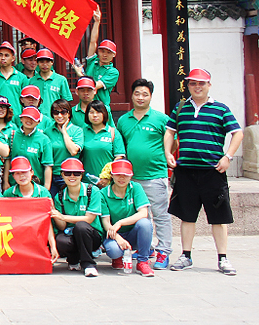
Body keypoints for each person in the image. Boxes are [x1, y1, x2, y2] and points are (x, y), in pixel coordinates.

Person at [165, 68, 242, 275]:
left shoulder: (221, 109)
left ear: (209, 85)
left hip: (212, 171)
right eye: (193, 83)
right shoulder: (181, 108)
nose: (197, 87)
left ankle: (223, 258)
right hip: (186, 171)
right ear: (188, 85)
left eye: (201, 83)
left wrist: (228, 157)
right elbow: (170, 131)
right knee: (187, 216)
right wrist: (167, 153)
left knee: (219, 217)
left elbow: (237, 133)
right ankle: (186, 255)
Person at [116, 78, 172, 269]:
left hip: (155, 175)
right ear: (132, 95)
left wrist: (165, 157)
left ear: (151, 96)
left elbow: (172, 142)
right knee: (141, 217)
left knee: (160, 215)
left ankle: (164, 251)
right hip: (131, 178)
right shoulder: (123, 120)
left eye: (145, 94)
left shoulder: (161, 119)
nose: (140, 97)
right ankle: (146, 249)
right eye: (137, 93)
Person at [100, 159, 154, 277]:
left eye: (126, 175)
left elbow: (143, 213)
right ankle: (118, 257)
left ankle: (143, 262)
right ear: (111, 175)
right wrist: (118, 238)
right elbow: (106, 222)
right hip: (114, 234)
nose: (122, 178)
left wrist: (120, 223)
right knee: (114, 250)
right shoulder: (103, 193)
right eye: (118, 174)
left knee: (145, 223)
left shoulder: (136, 187)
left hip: (133, 232)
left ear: (131, 176)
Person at [51, 157, 104, 277]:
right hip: (70, 234)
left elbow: (89, 219)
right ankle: (73, 259)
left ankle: (88, 264)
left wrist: (63, 217)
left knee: (81, 226)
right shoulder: (60, 196)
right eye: (67, 173)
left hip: (91, 235)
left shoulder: (92, 191)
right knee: (60, 240)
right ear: (62, 175)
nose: (72, 176)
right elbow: (62, 226)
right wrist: (55, 214)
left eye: (76, 173)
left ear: (81, 175)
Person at [73, 9, 119, 112]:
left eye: (108, 52)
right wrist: (97, 22)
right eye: (102, 51)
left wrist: (80, 75)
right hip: (85, 107)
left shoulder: (113, 72)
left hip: (101, 109)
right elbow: (92, 42)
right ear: (98, 51)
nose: (105, 55)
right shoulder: (93, 61)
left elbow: (94, 86)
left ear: (114, 55)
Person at [8, 107, 53, 191]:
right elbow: (8, 159)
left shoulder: (44, 139)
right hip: (14, 184)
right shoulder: (13, 135)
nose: (29, 120)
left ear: (38, 122)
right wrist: (5, 182)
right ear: (21, 119)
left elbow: (47, 166)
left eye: (33, 118)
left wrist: (46, 188)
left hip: (36, 185)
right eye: (26, 117)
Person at [81, 101, 124, 188]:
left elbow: (119, 157)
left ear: (104, 113)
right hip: (86, 182)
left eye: (98, 112)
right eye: (91, 112)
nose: (95, 115)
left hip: (108, 183)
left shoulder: (113, 132)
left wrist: (107, 176)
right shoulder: (82, 132)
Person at [47, 98, 84, 197]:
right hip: (52, 175)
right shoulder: (48, 132)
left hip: (70, 175)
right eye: (56, 112)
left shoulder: (77, 131)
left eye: (63, 112)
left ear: (69, 113)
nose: (59, 116)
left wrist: (64, 131)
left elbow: (73, 151)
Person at [0, 42, 27, 117]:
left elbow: (26, 102)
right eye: (0, 55)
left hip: (17, 118)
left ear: (13, 58)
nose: (3, 58)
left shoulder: (22, 78)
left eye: (6, 55)